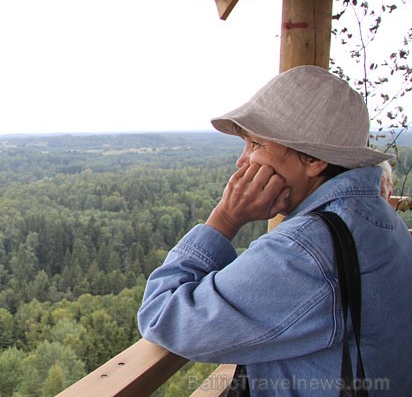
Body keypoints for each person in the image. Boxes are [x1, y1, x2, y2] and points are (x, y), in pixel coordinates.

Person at [137, 66, 412, 395]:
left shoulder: (306, 250)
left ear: (314, 161)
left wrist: (226, 217)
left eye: (255, 144)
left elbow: (161, 315)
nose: (242, 161)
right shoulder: (379, 216)